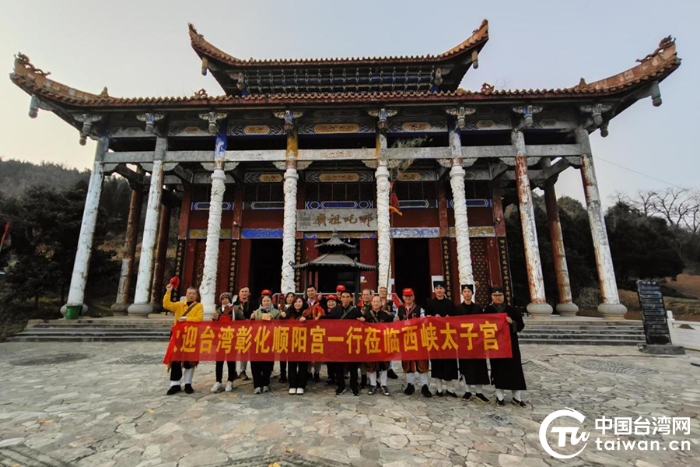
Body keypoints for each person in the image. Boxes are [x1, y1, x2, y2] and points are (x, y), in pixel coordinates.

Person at [484, 287, 527, 407]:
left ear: (504, 296)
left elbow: (520, 326)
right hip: (495, 345)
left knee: (515, 369)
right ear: (491, 297)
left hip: (511, 344)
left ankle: (517, 397)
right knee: (498, 369)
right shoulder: (488, 310)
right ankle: (500, 397)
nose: (498, 298)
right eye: (495, 295)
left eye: (500, 295)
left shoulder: (512, 310)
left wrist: (512, 322)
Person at [163, 283, 203, 395]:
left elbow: (199, 318)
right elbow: (166, 305)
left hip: (191, 336)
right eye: (189, 293)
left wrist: (186, 318)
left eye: (193, 293)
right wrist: (168, 292)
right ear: (186, 294)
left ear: (196, 295)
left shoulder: (199, 306)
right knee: (175, 359)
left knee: (189, 361)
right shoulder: (179, 305)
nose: (191, 295)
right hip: (178, 336)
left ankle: (188, 384)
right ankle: (174, 384)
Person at [455, 285, 490, 403]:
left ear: (472, 293)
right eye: (464, 291)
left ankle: (479, 392)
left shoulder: (478, 308)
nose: (467, 293)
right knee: (465, 367)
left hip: (477, 342)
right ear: (462, 293)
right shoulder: (458, 309)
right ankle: (467, 391)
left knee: (479, 367)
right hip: (464, 342)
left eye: (468, 291)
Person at [324, 290, 362, 396]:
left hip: (351, 342)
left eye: (347, 297)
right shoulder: (335, 310)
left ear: (351, 298)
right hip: (339, 342)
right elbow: (326, 321)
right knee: (338, 366)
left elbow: (362, 325)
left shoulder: (356, 311)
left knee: (353, 366)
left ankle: (354, 386)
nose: (345, 299)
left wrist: (363, 320)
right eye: (343, 297)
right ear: (340, 298)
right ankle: (341, 386)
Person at [425, 281, 459, 397]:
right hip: (435, 337)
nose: (439, 290)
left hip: (448, 337)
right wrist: (433, 318)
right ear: (434, 290)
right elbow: (426, 318)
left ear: (444, 290)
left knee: (450, 362)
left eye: (441, 288)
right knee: (437, 362)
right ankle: (439, 388)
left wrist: (450, 318)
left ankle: (449, 388)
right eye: (437, 288)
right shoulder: (430, 303)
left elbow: (456, 319)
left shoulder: (450, 303)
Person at [395, 288, 431, 397]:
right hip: (406, 340)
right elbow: (396, 321)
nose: (408, 298)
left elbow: (424, 321)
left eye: (410, 296)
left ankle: (424, 386)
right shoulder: (399, 309)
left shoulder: (420, 309)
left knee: (422, 363)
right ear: (403, 297)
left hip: (418, 339)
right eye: (406, 296)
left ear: (413, 297)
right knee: (407, 363)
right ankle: (410, 384)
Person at [211, 292, 244, 393]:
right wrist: (214, 319)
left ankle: (230, 381)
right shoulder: (218, 310)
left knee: (231, 361)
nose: (225, 300)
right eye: (223, 299)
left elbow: (242, 321)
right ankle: (218, 381)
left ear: (230, 300)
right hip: (220, 339)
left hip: (232, 338)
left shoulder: (236, 309)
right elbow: (214, 325)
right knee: (219, 361)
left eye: (226, 298)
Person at [250, 290, 281, 394]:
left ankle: (265, 383)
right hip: (257, 340)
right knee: (255, 363)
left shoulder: (276, 312)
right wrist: (252, 318)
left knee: (267, 363)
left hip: (270, 340)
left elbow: (280, 325)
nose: (266, 302)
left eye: (268, 301)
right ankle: (257, 384)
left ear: (271, 301)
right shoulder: (256, 312)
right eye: (264, 301)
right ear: (261, 302)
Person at [361, 296, 393, 396]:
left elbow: (391, 328)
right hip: (371, 343)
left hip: (383, 343)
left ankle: (383, 385)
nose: (375, 303)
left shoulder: (386, 315)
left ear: (381, 303)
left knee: (383, 365)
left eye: (377, 302)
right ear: (371, 303)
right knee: (371, 365)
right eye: (374, 302)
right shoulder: (366, 315)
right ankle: (373, 384)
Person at [284, 296, 310, 395]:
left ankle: (301, 385)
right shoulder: (288, 312)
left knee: (303, 365)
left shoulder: (308, 313)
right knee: (292, 364)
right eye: (295, 302)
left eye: (299, 301)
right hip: (291, 342)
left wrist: (306, 320)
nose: (297, 303)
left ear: (303, 303)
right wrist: (282, 316)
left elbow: (315, 323)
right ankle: (292, 385)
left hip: (304, 342)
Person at [378, 286, 399, 380]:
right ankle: (379, 368)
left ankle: (390, 368)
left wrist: (388, 313)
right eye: (381, 291)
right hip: (378, 329)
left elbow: (396, 314)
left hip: (388, 328)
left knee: (390, 348)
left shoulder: (391, 303)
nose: (383, 293)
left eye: (384, 291)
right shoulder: (376, 302)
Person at [233, 286, 253, 380]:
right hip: (235, 330)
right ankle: (233, 371)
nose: (244, 293)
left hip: (248, 330)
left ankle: (242, 370)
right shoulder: (234, 304)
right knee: (233, 351)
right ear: (239, 293)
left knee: (244, 350)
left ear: (249, 294)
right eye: (242, 291)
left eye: (246, 292)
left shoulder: (253, 304)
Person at [278, 292, 296, 384]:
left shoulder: (296, 307)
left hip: (294, 334)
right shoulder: (281, 307)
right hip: (283, 333)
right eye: (288, 297)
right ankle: (283, 374)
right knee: (282, 356)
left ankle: (292, 374)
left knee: (292, 356)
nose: (290, 298)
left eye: (292, 297)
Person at [358, 288, 373, 388]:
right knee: (362, 358)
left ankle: (373, 379)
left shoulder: (375, 306)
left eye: (367, 294)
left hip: (372, 335)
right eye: (364, 295)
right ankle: (363, 377)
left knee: (372, 358)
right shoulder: (357, 306)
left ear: (371, 296)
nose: (366, 296)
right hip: (361, 335)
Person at [323, 294, 340, 386]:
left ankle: (338, 376)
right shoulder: (323, 311)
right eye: (329, 301)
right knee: (329, 358)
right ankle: (330, 376)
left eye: (333, 301)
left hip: (338, 338)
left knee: (337, 358)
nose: (331, 303)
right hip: (327, 338)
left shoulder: (339, 311)